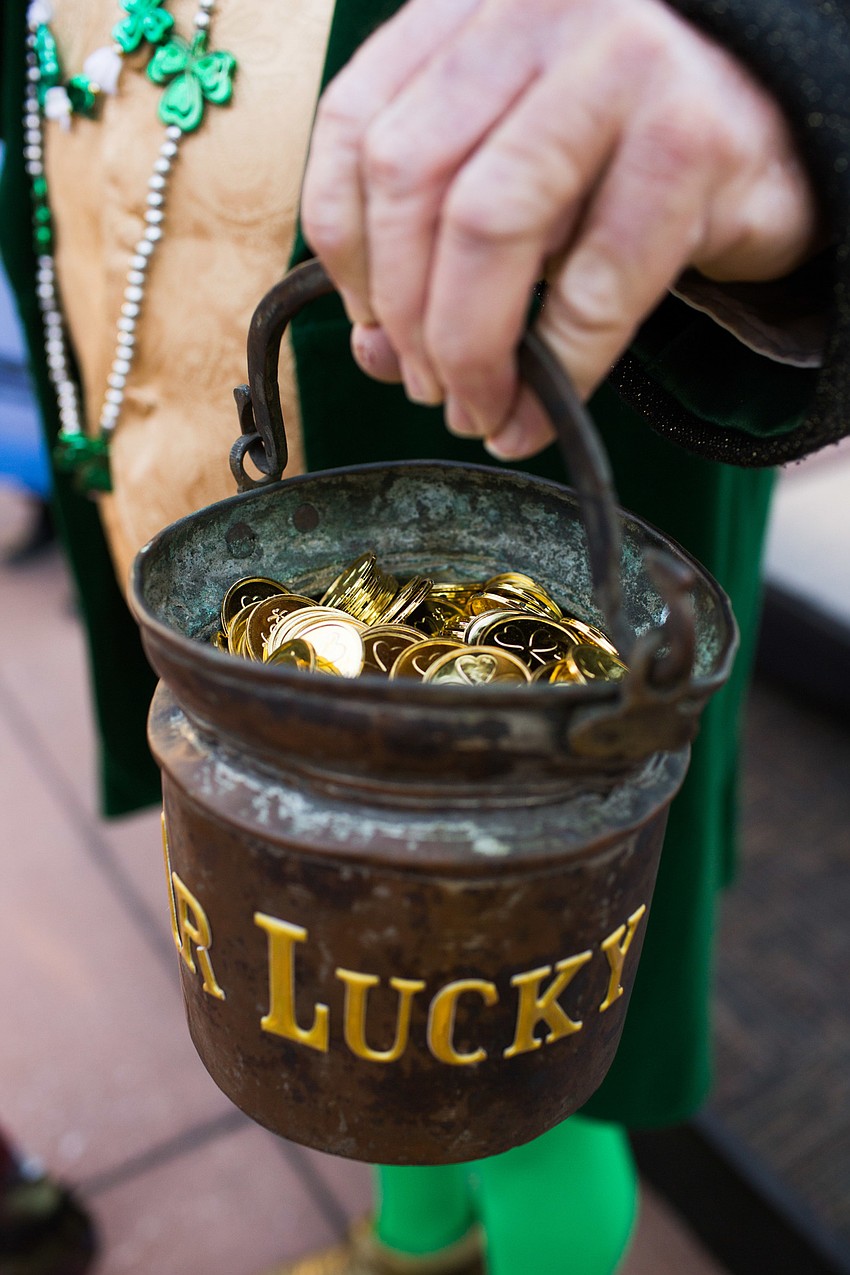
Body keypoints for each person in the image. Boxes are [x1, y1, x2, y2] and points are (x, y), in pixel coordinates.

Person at [0, 1, 847, 1273]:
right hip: (242, 488)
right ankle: (414, 1243)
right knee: (370, 981)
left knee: (527, 1058)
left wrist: (790, 68)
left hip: (553, 504)